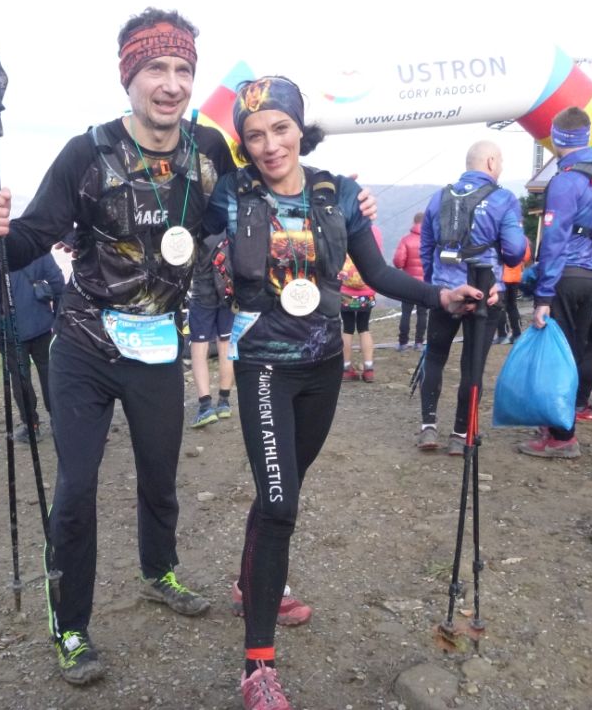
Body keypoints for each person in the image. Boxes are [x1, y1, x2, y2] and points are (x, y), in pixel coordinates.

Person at [203, 75, 486, 710]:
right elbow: (172, 226)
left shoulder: (340, 194)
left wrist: (440, 295)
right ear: (243, 143)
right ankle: (257, 666)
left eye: (280, 129)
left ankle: (251, 584)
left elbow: (378, 271)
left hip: (324, 367)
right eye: (255, 135)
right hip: (263, 367)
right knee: (280, 504)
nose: (270, 145)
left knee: (280, 493)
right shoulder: (228, 193)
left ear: (299, 128)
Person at [0, 8, 237, 687]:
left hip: (158, 345)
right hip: (85, 344)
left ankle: (159, 572)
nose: (171, 83)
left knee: (160, 473)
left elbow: (244, 212)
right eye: (156, 68)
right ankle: (70, 625)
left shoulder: (209, 151)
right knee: (76, 488)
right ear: (129, 78)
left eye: (183, 69)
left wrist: (334, 206)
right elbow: (26, 242)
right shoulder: (86, 154)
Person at [517, 108, 592, 459]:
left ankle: (562, 437)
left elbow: (555, 240)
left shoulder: (566, 181)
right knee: (574, 351)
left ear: (556, 137)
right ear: (587, 136)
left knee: (557, 357)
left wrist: (543, 295)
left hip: (566, 276)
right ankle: (557, 424)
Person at [417, 141, 526, 455]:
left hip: (445, 293)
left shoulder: (440, 197)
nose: (501, 167)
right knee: (472, 365)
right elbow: (515, 251)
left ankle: (428, 427)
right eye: (500, 161)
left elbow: (426, 248)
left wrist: (433, 288)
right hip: (484, 293)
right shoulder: (503, 199)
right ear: (491, 161)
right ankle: (460, 433)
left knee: (435, 357)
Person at [0, 247, 65, 441]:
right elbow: (57, 281)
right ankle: (59, 420)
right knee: (50, 372)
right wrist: (58, 314)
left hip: (10, 330)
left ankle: (31, 426)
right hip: (42, 321)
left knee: (20, 379)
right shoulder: (35, 245)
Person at [188, 231, 236, 427]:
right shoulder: (230, 223)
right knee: (226, 345)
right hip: (228, 291)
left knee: (199, 348)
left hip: (202, 294)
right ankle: (224, 403)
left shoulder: (198, 226)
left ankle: (205, 406)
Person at [338, 226, 383, 382]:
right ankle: (368, 369)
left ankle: (346, 368)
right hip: (366, 289)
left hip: (345, 290)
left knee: (347, 328)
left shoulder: (342, 229)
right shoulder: (374, 231)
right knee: (364, 328)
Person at [392, 212, 428, 351]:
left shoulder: (406, 240)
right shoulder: (430, 240)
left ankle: (403, 343)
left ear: (414, 222)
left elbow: (398, 262)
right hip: (425, 283)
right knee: (422, 313)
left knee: (406, 313)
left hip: (408, 283)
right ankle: (419, 342)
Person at [493, 236, 532, 344]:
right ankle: (517, 333)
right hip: (515, 276)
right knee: (512, 305)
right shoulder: (523, 239)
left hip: (502, 276)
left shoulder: (500, 236)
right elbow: (526, 256)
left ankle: (502, 334)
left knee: (500, 305)